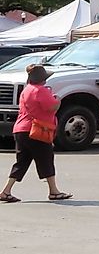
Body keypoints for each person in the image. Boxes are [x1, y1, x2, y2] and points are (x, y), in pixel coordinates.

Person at [1, 65, 70, 202]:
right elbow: (51, 107)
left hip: (21, 129)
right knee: (46, 158)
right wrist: (58, 100)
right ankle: (54, 191)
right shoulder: (41, 90)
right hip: (37, 129)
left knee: (22, 161)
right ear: (42, 79)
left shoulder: (26, 90)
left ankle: (6, 191)